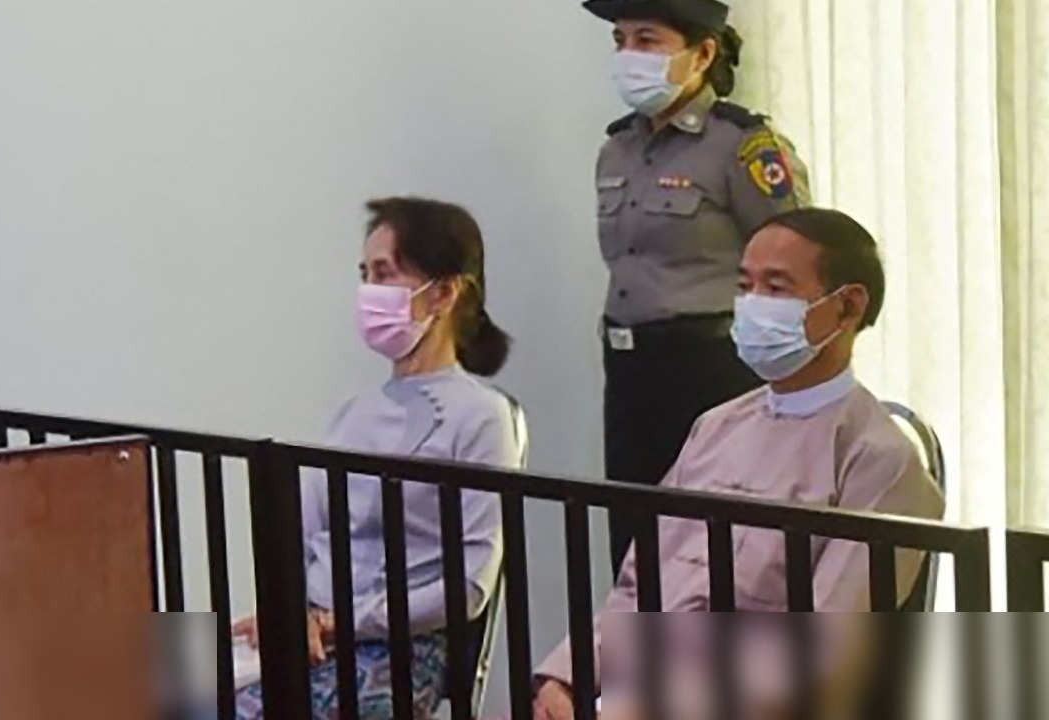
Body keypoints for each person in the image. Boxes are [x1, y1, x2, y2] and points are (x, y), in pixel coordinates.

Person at [529, 208, 945, 720]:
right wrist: (567, 678)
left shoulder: (881, 461)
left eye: (777, 287)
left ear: (847, 306)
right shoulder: (716, 428)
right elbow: (639, 586)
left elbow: (824, 655)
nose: (753, 305)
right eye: (746, 286)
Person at [232, 197, 524, 720]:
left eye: (384, 273)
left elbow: (471, 583)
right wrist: (290, 614)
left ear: (443, 293)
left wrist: (346, 622)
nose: (368, 290)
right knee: (142, 686)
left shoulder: (483, 417)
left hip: (404, 646)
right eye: (364, 274)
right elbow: (302, 537)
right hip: (312, 632)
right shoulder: (352, 413)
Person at [587, 0, 812, 570]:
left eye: (647, 40)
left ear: (703, 53)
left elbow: (800, 257)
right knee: (636, 544)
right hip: (629, 370)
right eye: (620, 41)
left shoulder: (743, 146)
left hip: (709, 369)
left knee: (714, 549)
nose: (629, 55)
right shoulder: (617, 149)